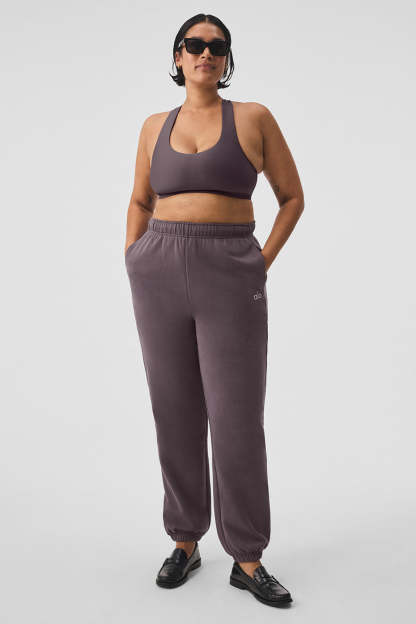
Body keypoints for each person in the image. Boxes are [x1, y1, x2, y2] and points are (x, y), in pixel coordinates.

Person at [124, 13, 304, 608]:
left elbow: (292, 197)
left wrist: (259, 262)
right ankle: (185, 539)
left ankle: (247, 556)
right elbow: (140, 199)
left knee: (236, 417)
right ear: (177, 56)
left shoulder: (252, 118)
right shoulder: (154, 126)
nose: (206, 53)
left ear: (227, 59)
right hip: (159, 270)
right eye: (194, 44)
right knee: (174, 410)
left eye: (217, 46)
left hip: (230, 270)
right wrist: (134, 257)